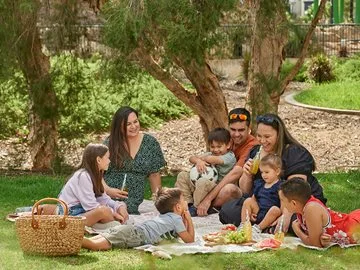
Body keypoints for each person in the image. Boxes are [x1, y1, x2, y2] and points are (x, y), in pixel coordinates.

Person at [219, 113, 327, 230]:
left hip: (291, 203)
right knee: (228, 211)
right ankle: (263, 223)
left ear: (279, 135)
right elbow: (245, 190)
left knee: (298, 219)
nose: (262, 140)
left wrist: (285, 215)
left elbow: (296, 190)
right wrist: (247, 174)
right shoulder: (256, 152)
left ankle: (269, 223)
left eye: (267, 136)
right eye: (259, 136)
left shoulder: (294, 152)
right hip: (264, 201)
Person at [82, 187, 195, 250]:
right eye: (183, 199)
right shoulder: (176, 219)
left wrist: (184, 216)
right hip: (136, 235)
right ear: (178, 207)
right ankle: (70, 240)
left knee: (94, 240)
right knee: (95, 245)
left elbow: (182, 233)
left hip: (131, 230)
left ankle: (72, 239)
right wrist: (188, 217)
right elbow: (189, 239)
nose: (186, 201)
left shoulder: (166, 217)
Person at [103, 106, 166, 214]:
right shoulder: (110, 143)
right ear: (119, 126)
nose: (134, 126)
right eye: (128, 124)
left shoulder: (150, 143)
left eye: (135, 122)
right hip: (107, 196)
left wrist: (158, 202)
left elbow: (154, 174)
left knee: (124, 212)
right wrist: (108, 191)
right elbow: (96, 172)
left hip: (132, 201)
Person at [195, 108, 258, 216]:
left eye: (241, 130)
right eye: (233, 130)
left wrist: (208, 199)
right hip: (218, 180)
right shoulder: (226, 139)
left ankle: (205, 205)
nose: (236, 134)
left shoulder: (252, 145)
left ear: (249, 129)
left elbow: (236, 172)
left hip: (241, 187)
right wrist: (198, 161)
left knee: (229, 189)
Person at [58, 143, 129, 227]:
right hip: (72, 215)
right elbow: (91, 206)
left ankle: (113, 224)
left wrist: (119, 206)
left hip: (84, 212)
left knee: (120, 206)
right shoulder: (83, 176)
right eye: (107, 158)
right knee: (104, 211)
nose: (109, 161)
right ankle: (114, 225)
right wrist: (114, 214)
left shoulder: (96, 175)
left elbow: (103, 199)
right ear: (98, 160)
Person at [279, 178, 360, 247]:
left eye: (282, 200)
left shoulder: (311, 208)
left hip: (355, 226)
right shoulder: (301, 209)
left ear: (294, 203)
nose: (281, 203)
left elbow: (315, 244)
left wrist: (297, 230)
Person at [175, 128, 236, 216]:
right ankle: (187, 203)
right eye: (212, 147)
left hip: (216, 188)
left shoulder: (230, 157)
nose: (215, 150)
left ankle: (196, 207)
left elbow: (213, 159)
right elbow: (191, 158)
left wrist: (202, 159)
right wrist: (198, 161)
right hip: (201, 186)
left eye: (219, 146)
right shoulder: (209, 154)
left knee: (202, 181)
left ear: (228, 145)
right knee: (182, 175)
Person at [240, 154, 282, 232]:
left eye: (267, 172)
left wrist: (281, 217)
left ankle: (258, 228)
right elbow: (254, 199)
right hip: (259, 211)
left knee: (275, 209)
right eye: (262, 172)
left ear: (277, 171)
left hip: (270, 215)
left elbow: (283, 204)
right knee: (248, 201)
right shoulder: (260, 184)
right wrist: (251, 211)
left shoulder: (280, 186)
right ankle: (244, 225)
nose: (263, 175)